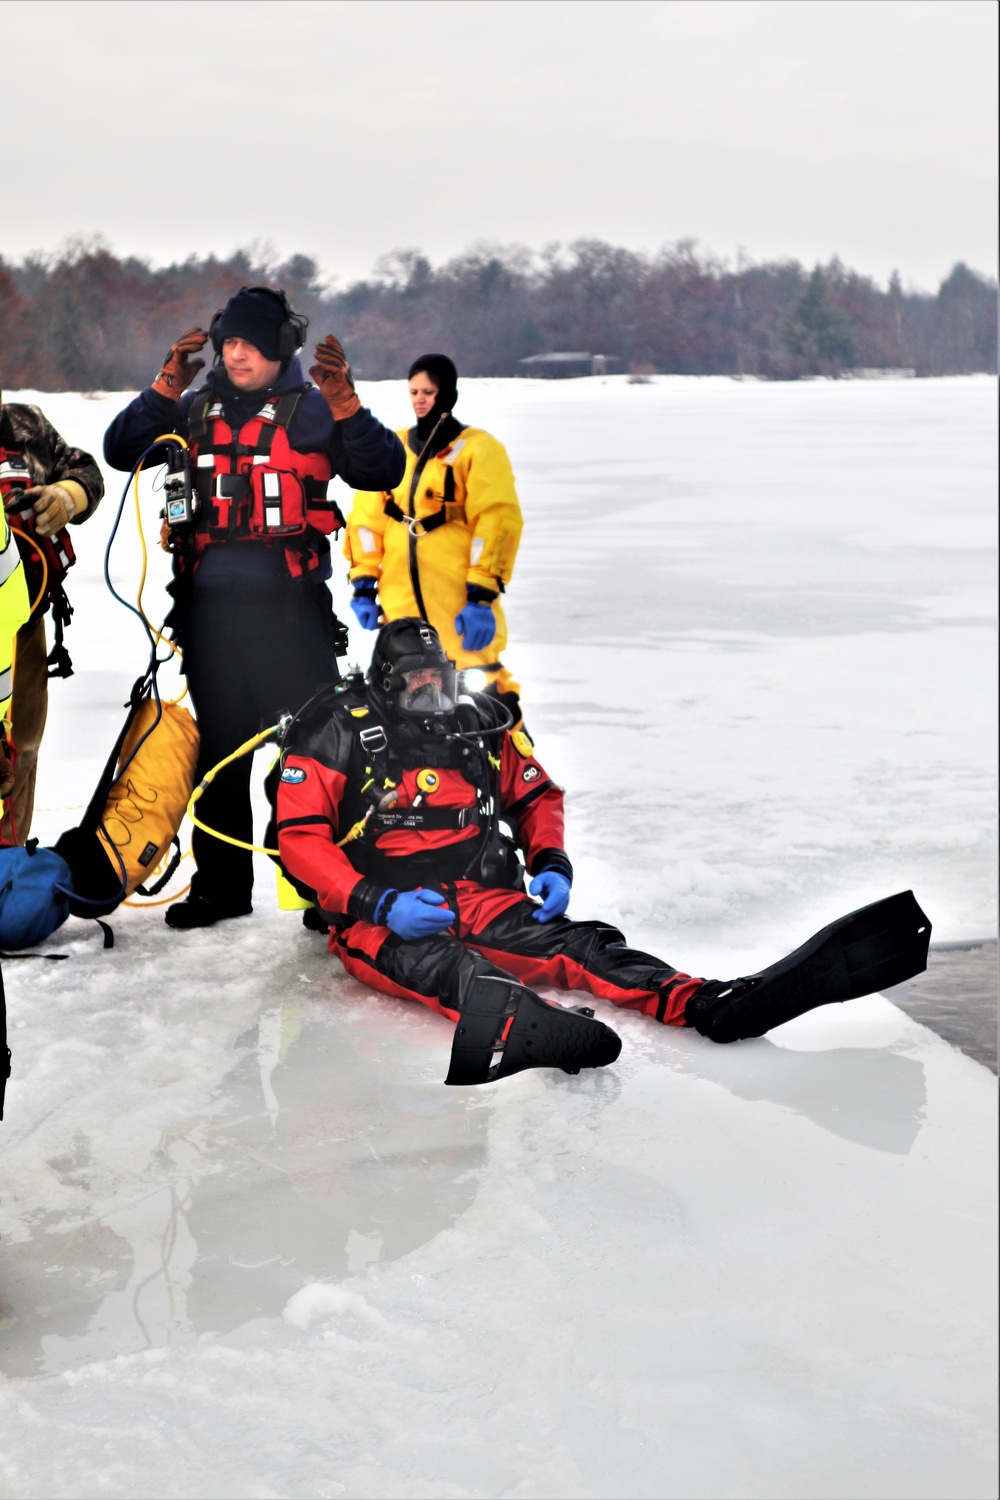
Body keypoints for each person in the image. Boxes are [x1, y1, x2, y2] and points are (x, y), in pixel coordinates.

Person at [270, 619, 930, 1085]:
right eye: (412, 681)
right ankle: (526, 1025)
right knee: (448, 969)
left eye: (435, 679)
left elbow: (535, 797)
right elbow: (300, 839)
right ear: (383, 682)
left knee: (584, 946)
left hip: (481, 893)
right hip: (381, 914)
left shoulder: (478, 726)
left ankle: (706, 1002)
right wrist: (374, 900)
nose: (428, 693)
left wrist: (550, 862)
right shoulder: (338, 730)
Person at [104, 286, 405, 929]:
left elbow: (383, 469)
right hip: (209, 619)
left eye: (249, 344)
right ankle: (221, 889)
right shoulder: (191, 409)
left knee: (311, 762)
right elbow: (119, 449)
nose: (235, 354)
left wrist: (349, 404)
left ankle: (322, 892)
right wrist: (164, 386)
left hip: (293, 618)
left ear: (279, 349)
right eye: (228, 343)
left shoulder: (315, 412)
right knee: (221, 758)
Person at [344, 355, 525, 726]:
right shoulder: (391, 447)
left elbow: (496, 521)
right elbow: (365, 522)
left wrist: (481, 595)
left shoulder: (477, 450)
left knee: (485, 698)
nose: (420, 399)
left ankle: (514, 775)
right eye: (413, 391)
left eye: (428, 391)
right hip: (401, 608)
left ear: (447, 393)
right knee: (406, 701)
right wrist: (363, 585)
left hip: (458, 604)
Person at [0, 394, 104, 842]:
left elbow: (88, 472)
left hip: (23, 624)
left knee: (21, 749)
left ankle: (7, 864)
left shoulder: (21, 423)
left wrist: (69, 495)